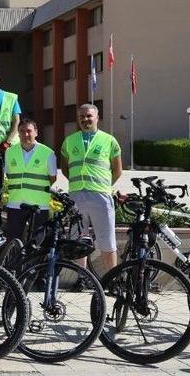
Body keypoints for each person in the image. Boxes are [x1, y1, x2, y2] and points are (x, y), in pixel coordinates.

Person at [61, 104, 123, 272]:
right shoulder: (69, 141)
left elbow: (117, 171)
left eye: (88, 116)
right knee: (78, 240)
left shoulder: (109, 140)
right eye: (81, 116)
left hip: (100, 196)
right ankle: (82, 278)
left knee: (107, 241)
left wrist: (103, 185)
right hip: (76, 196)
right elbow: (65, 168)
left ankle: (112, 279)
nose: (85, 119)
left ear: (97, 117)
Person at [4, 118, 57, 242]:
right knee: (13, 243)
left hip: (39, 205)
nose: (25, 134)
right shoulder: (9, 152)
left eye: (29, 131)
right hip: (15, 205)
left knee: (37, 244)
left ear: (36, 132)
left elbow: (52, 178)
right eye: (21, 131)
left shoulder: (48, 153)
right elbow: (9, 174)